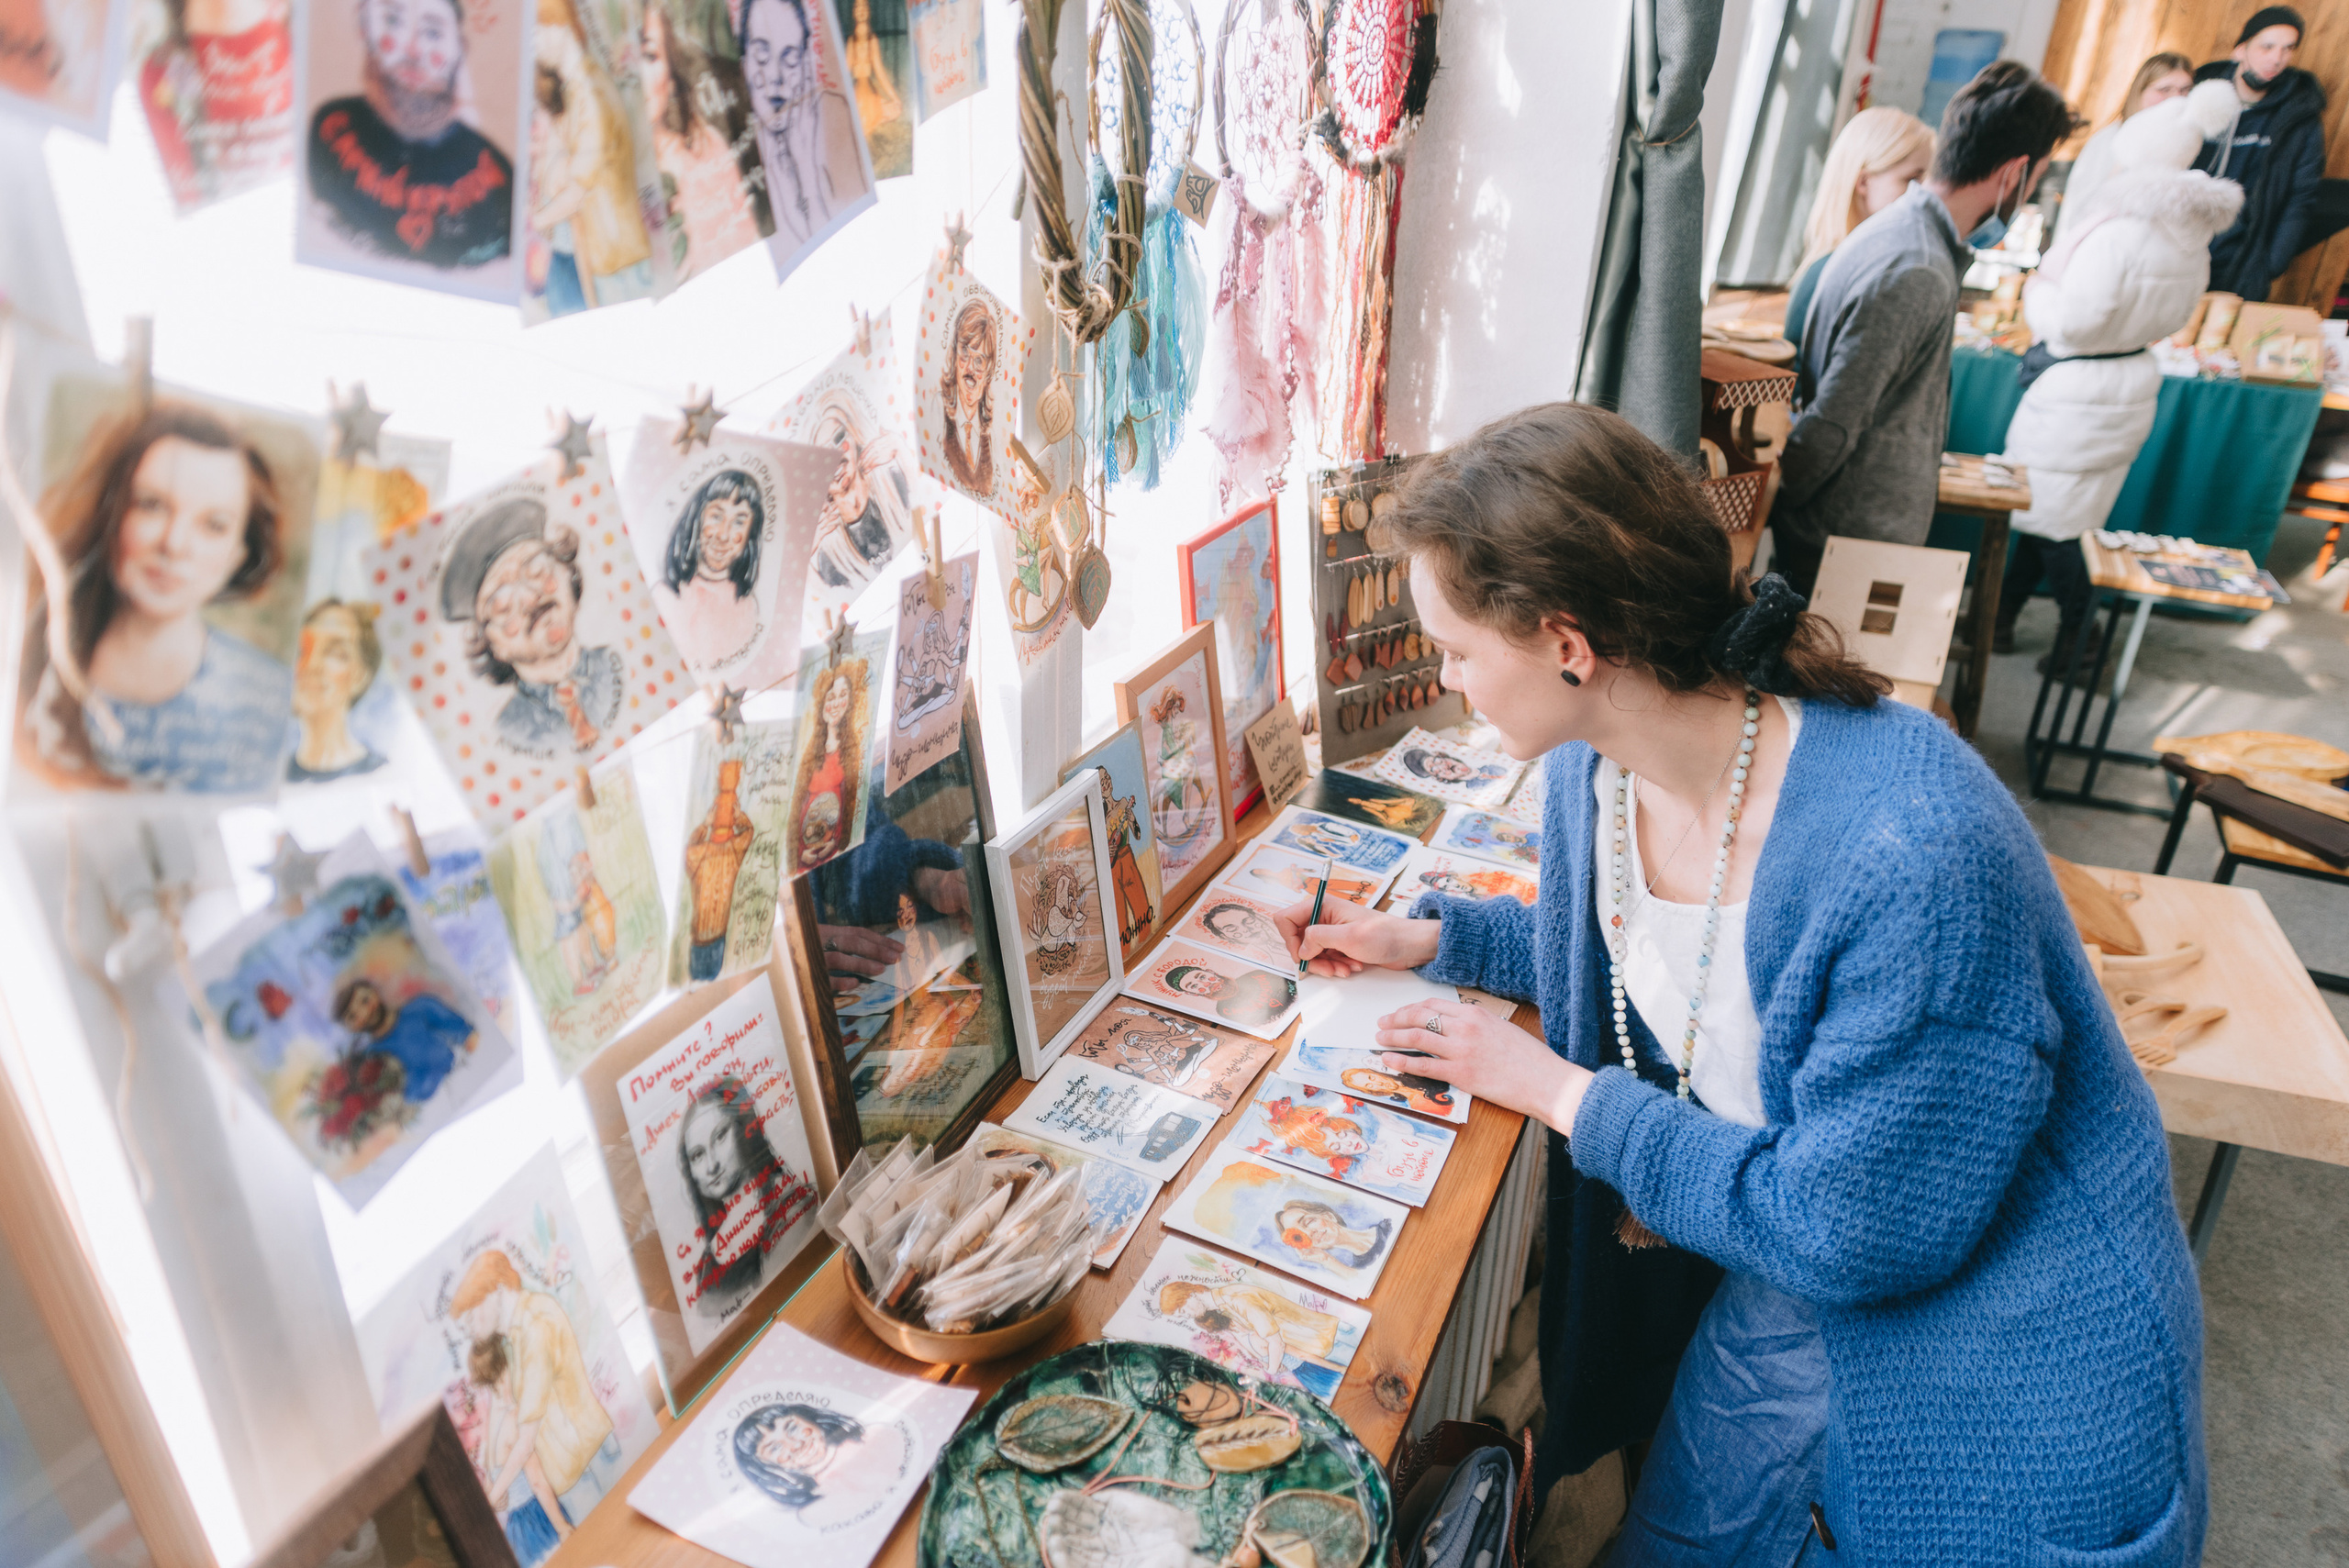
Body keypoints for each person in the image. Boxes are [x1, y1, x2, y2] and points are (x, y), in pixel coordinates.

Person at [1281, 402, 2203, 1563]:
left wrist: (1566, 1094)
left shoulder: (1909, 853)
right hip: (1797, 1260)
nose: (1448, 678)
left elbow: (1853, 1233)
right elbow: (1666, 968)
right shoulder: (1599, 769)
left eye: (1458, 650)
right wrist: (1427, 937)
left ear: (1568, 642)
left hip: (1994, 1370)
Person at [1771, 62, 2080, 595]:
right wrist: (1788, 505)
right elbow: (1835, 420)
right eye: (2036, 179)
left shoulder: (1907, 238)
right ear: (2013, 173)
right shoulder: (1915, 266)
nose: (2029, 196)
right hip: (1846, 548)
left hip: (1847, 538)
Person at [1995, 83, 2244, 662]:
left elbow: (2077, 321)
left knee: (2054, 522)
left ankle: (2084, 641)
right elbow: (2180, 315)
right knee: (2055, 513)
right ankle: (2000, 620)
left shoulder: (2115, 232)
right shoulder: (2188, 239)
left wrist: (2038, 297)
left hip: (2078, 387)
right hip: (2126, 377)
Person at [16, 400, 292, 794]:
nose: (175, 544)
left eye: (214, 525)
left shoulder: (270, 700)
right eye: (152, 505)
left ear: (238, 555)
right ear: (112, 513)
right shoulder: (29, 653)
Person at [307, 0, 514, 271]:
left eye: (433, 32)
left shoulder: (496, 179)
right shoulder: (331, 131)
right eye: (393, 21)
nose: (414, 50)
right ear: (365, 28)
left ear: (459, 49)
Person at [450, 1250, 624, 1540]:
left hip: (583, 1466)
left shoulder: (533, 1327)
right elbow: (502, 1405)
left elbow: (526, 1438)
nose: (470, 1331)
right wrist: (495, 1477)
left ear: (496, 1290)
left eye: (470, 1317)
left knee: (611, 1545)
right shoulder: (513, 1336)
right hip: (572, 1467)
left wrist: (494, 1495)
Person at [440, 500, 622, 759]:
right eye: (502, 604)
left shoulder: (614, 665)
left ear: (566, 573)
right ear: (490, 643)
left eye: (538, 570)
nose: (529, 598)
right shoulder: (511, 727)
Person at [526, 0, 656, 316]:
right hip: (606, 257)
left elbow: (577, 188)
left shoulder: (590, 93)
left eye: (538, 35)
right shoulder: (574, 90)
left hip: (621, 262)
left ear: (560, 29)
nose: (536, 48)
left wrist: (535, 221)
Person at [2191, 6, 2327, 302]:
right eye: (2267, 47)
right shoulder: (2198, 96)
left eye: (2287, 49)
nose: (2277, 59)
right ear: (2240, 50)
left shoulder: (2299, 116)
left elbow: (2301, 196)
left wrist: (2271, 263)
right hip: (2181, 245)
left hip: (2243, 258)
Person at [1783, 106, 1936, 347]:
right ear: (1864, 182)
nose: (1923, 194)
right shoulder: (1826, 275)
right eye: (1911, 180)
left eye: (1926, 182)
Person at [640, 0, 770, 280]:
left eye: (649, 56)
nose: (637, 75)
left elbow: (748, 260)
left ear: (670, 77)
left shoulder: (706, 148)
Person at [676, 1074, 814, 1319]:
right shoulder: (708, 1263)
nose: (711, 1164)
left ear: (745, 1127)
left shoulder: (792, 1204)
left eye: (719, 1137)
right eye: (697, 1155)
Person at [739, 0, 859, 249]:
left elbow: (848, 245)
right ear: (743, 62)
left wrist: (807, 172)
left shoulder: (833, 113)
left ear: (806, 65)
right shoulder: (740, 151)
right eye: (761, 54)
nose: (776, 76)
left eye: (790, 58)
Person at [2058, 52, 2193, 239]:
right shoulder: (2110, 139)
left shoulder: (2185, 146)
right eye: (2165, 90)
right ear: (2141, 91)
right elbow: (2077, 208)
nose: (2177, 99)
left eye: (2185, 90)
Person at [732, 1402, 908, 1524]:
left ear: (810, 1418)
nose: (795, 1445)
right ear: (766, 1466)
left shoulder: (879, 1435)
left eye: (793, 1428)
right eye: (776, 1448)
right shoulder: (814, 1512)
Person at [661, 468, 768, 670]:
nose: (723, 535)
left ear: (750, 535)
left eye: (738, 522)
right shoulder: (666, 595)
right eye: (717, 517)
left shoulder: (748, 609)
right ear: (697, 518)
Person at [1158, 1278, 1340, 1385]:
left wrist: (1271, 1371)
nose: (1187, 1316)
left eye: (1182, 1311)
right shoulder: (1224, 1305)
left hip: (1325, 1340)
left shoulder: (1237, 1300)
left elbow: (1276, 1343)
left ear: (1190, 1295)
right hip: (1312, 1346)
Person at [331, 975, 478, 1103]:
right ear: (350, 1028)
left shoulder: (421, 1008)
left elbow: (470, 1038)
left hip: (466, 1082)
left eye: (365, 1001)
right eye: (353, 1016)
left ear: (375, 992)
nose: (365, 1013)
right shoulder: (370, 1060)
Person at [288, 597, 388, 781]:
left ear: (361, 677)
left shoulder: (381, 776)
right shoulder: (277, 779)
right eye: (304, 649)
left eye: (335, 653)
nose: (312, 665)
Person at [790, 658, 866, 871]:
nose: (835, 704)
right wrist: (799, 853)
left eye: (843, 696)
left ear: (850, 702)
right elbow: (795, 810)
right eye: (830, 696)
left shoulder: (851, 750)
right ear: (822, 703)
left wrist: (835, 842)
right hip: (803, 861)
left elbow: (849, 805)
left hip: (836, 855)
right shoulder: (808, 754)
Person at [683, 759, 755, 980]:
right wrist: (738, 815)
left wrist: (705, 824)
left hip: (706, 939)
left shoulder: (703, 852)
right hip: (712, 940)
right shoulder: (733, 850)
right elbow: (748, 830)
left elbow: (687, 851)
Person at [939, 299, 999, 494]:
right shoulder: (939, 421)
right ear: (954, 354)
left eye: (980, 360)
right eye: (965, 351)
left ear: (989, 372)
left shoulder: (991, 439)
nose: (971, 367)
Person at [1097, 766, 1155, 945]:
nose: (1106, 782)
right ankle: (1124, 951)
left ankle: (1147, 941)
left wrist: (1132, 820)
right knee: (1119, 917)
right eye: (1101, 782)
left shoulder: (1123, 804)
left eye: (1107, 777)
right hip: (1111, 868)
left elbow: (1137, 835)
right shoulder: (1100, 818)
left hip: (1128, 859)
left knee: (1142, 907)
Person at [1272, 1197, 1390, 1273]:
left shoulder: (1388, 1227)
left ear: (1329, 1216)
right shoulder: (1360, 1268)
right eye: (1300, 1236)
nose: (1309, 1233)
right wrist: (1326, 1259)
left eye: (1308, 1222)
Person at [1164, 962, 1294, 1029]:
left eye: (1202, 977)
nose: (1206, 984)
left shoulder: (1256, 974)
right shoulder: (1225, 1011)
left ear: (1210, 972)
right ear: (1193, 993)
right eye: (1194, 986)